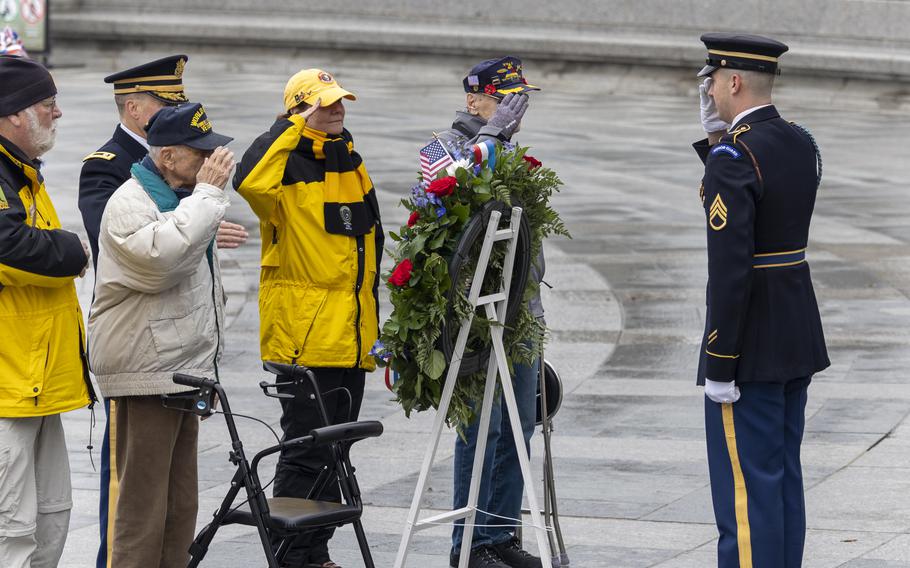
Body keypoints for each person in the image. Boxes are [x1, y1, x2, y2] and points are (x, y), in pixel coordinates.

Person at [78, 55, 248, 568]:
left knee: (179, 503)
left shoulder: (179, 195)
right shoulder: (130, 198)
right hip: (145, 371)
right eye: (201, 154)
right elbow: (160, 263)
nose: (212, 162)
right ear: (169, 157)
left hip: (179, 369)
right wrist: (210, 196)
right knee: (141, 506)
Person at [233, 68, 384, 568]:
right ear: (299, 110)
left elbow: (369, 251)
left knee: (337, 452)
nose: (337, 109)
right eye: (324, 103)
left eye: (340, 101)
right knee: (303, 451)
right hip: (304, 337)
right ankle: (293, 556)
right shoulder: (284, 166)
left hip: (351, 334)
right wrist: (290, 127)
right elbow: (248, 178)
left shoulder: (351, 162)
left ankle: (315, 552)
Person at [694, 33, 829, 568]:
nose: (710, 94)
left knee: (745, 495)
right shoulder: (800, 140)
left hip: (748, 343)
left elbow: (730, 268)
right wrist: (713, 142)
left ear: (732, 81)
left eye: (713, 83)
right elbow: (769, 207)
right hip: (795, 330)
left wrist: (720, 361)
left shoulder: (733, 154)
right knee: (780, 479)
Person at [435, 56, 544, 568]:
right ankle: (470, 544)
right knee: (481, 429)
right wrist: (493, 138)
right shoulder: (444, 147)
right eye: (505, 99)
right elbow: (444, 194)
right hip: (474, 315)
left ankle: (500, 535)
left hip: (519, 311)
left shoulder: (512, 151)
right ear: (475, 99)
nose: (515, 111)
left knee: (519, 426)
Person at [0, 55, 96, 568]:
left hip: (34, 385)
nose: (57, 113)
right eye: (47, 103)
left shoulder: (21, 173)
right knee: (10, 529)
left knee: (50, 520)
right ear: (14, 113)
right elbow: (9, 246)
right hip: (7, 390)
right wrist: (74, 251)